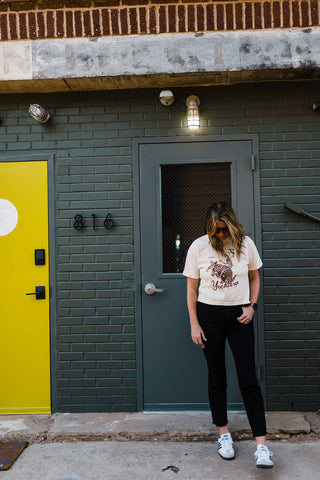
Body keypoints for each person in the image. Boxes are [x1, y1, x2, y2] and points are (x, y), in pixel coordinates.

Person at [183, 201, 273, 468]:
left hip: (240, 317)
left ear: (232, 226)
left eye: (224, 230)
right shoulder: (199, 246)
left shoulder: (246, 244)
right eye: (216, 231)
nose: (221, 236)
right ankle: (223, 434)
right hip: (209, 316)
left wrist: (252, 306)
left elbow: (255, 278)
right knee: (217, 377)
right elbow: (191, 289)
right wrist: (194, 324)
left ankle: (262, 445)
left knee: (249, 380)